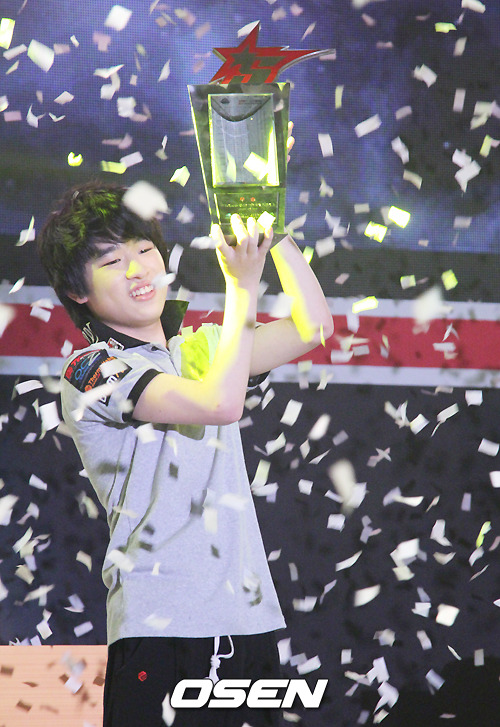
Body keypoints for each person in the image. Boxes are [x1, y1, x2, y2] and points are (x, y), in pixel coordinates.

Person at [37, 177, 333, 727]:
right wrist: (242, 285)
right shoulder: (91, 369)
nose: (137, 269)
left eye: (144, 250)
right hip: (160, 627)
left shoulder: (201, 347)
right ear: (77, 290)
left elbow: (313, 326)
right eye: (111, 261)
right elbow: (220, 404)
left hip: (248, 620)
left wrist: (272, 229)